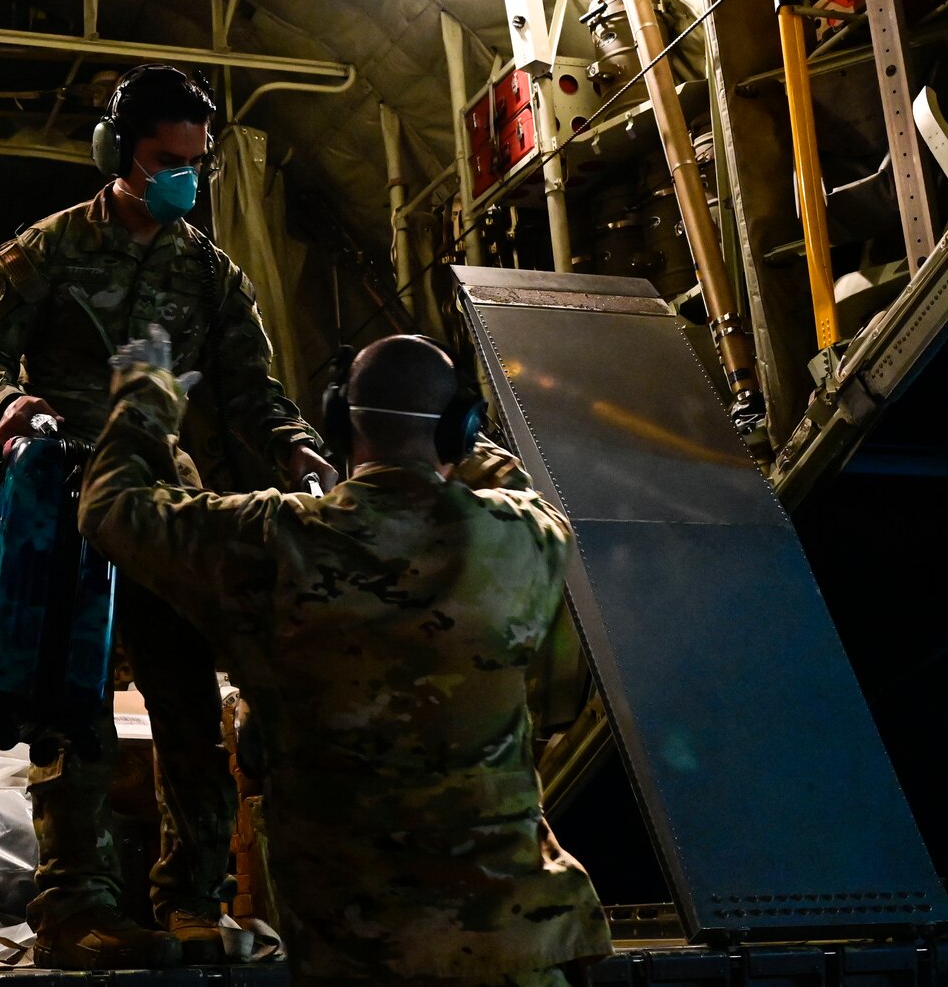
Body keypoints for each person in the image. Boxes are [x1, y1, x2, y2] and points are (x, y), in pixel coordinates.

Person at [79, 329, 612, 986]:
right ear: (456, 428)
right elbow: (514, 485)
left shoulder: (276, 540)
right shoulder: (522, 537)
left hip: (357, 959)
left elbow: (111, 507)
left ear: (337, 422)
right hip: (519, 950)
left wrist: (144, 401)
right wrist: (462, 442)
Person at [0, 64, 335, 969]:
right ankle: (75, 905)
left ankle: (192, 900)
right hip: (64, 501)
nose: (185, 182)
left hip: (164, 500)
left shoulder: (208, 271)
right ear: (118, 155)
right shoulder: (45, 252)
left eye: (197, 164)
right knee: (69, 705)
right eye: (169, 162)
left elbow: (250, 388)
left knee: (188, 707)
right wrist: (8, 403)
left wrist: (296, 446)